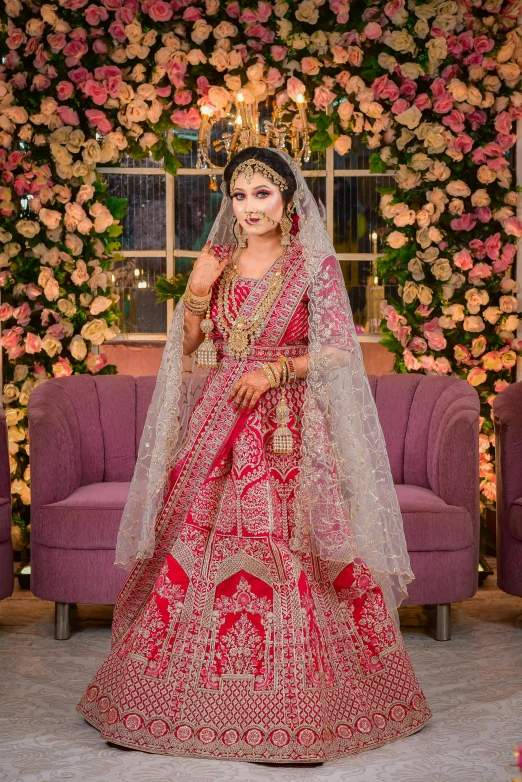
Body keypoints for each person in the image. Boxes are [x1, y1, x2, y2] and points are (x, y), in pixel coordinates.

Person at [76, 146, 432, 762]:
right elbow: (192, 348)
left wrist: (277, 373)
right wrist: (194, 291)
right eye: (238, 196)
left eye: (261, 194)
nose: (248, 208)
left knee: (287, 549)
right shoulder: (217, 259)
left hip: (286, 427)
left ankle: (293, 709)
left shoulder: (311, 266)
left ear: (288, 199)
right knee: (190, 544)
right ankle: (164, 697)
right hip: (219, 416)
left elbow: (340, 352)